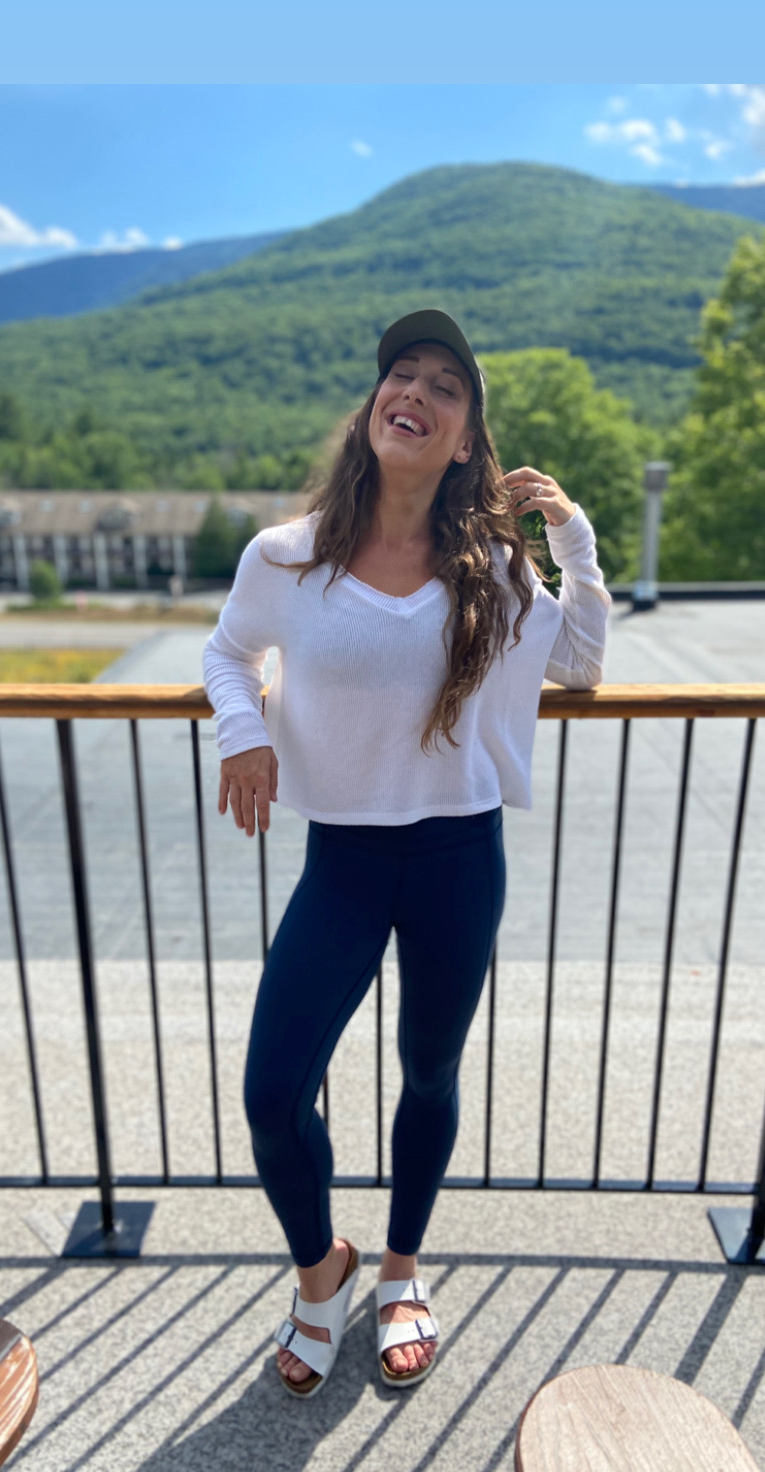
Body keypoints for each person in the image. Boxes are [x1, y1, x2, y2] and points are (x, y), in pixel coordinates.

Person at [202, 308, 611, 1398]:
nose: (416, 392)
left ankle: (399, 1270)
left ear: (467, 438)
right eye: (402, 374)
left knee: (429, 1072)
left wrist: (570, 535)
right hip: (341, 860)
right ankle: (320, 1272)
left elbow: (580, 663)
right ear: (375, 405)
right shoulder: (287, 556)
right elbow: (229, 651)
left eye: (445, 384)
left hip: (457, 858)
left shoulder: (496, 569)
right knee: (273, 1090)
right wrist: (242, 729)